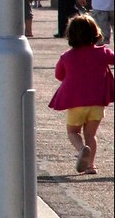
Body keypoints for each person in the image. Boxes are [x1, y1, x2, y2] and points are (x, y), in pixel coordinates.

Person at [48, 14, 114, 175]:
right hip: (97, 102)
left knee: (73, 132)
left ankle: (81, 149)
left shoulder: (67, 57)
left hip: (75, 102)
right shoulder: (103, 53)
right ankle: (91, 166)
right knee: (91, 135)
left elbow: (59, 75)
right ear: (95, 33)